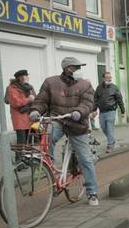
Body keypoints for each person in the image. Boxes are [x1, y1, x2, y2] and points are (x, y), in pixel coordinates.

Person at [29, 57, 100, 206]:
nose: (79, 70)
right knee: (47, 142)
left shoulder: (85, 84)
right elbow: (41, 100)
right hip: (58, 120)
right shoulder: (50, 82)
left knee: (85, 158)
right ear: (68, 69)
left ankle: (92, 192)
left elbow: (88, 103)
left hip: (77, 123)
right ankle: (52, 172)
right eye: (76, 67)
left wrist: (79, 112)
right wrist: (35, 110)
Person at [7, 69, 36, 168]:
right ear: (21, 77)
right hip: (20, 118)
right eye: (26, 76)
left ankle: (28, 160)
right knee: (21, 142)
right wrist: (29, 99)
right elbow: (16, 102)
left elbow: (35, 98)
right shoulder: (12, 88)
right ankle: (19, 162)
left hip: (30, 118)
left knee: (30, 141)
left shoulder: (29, 87)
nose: (28, 77)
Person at [93, 72, 125, 153]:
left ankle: (110, 145)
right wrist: (94, 110)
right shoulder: (99, 88)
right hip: (102, 112)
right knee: (103, 127)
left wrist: (123, 111)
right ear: (103, 78)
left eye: (110, 77)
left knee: (110, 128)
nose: (109, 79)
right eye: (107, 77)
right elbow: (95, 100)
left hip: (111, 111)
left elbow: (119, 99)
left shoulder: (114, 88)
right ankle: (112, 139)